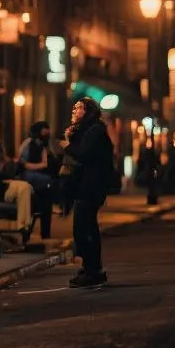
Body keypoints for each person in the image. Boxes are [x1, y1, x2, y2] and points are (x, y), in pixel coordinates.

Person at [62, 97, 113, 288]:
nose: (75, 111)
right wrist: (71, 137)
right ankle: (91, 267)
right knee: (83, 228)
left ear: (89, 111)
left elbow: (82, 153)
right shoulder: (87, 129)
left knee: (85, 228)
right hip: (84, 185)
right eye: (74, 107)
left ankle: (93, 270)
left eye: (80, 108)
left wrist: (67, 144)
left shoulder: (96, 130)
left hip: (92, 185)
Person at [17, 120, 56, 238]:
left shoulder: (46, 145)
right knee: (49, 184)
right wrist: (34, 166)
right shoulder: (29, 142)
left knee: (46, 197)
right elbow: (22, 161)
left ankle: (45, 231)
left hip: (41, 175)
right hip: (30, 173)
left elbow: (48, 161)